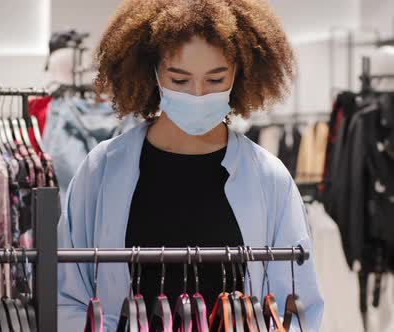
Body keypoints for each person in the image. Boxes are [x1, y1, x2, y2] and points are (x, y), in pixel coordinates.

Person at [57, 0, 324, 331]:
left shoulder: (269, 178)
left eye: (215, 80)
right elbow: (69, 294)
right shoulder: (101, 170)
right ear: (152, 72)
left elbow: (295, 305)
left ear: (239, 73)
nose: (198, 94)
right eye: (179, 80)